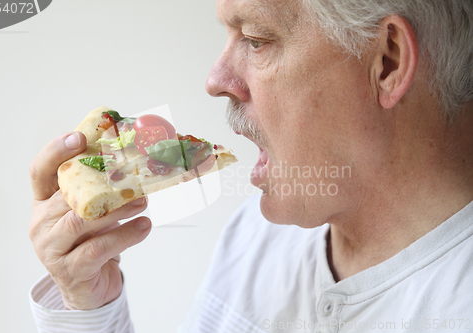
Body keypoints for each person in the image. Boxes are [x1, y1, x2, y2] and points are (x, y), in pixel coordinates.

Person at [29, 0, 473, 332]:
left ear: (388, 62)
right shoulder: (255, 236)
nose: (215, 81)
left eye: (257, 39)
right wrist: (90, 308)